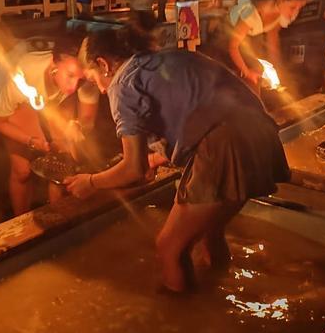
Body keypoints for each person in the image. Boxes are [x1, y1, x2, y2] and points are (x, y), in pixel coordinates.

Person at [66, 28, 290, 292]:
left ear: (103, 64)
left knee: (169, 247)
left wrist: (91, 182)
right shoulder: (165, 58)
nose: (101, 91)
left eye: (93, 78)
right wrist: (156, 158)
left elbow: (133, 168)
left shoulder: (122, 83)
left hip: (225, 144)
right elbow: (195, 108)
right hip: (262, 134)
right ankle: (217, 299)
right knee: (210, 232)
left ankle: (184, 316)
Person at [0, 32, 102, 215]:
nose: (74, 86)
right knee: (22, 169)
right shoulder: (23, 75)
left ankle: (57, 217)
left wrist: (77, 125)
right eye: (70, 75)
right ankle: (21, 224)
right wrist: (32, 141)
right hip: (16, 93)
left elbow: (88, 119)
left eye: (80, 79)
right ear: (55, 64)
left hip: (51, 95)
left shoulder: (85, 74)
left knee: (63, 159)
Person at [226, 0, 309, 89]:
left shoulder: (282, 12)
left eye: (299, 8)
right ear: (280, 0)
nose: (295, 13)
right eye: (293, 7)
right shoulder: (251, 13)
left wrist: (278, 69)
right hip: (227, 44)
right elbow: (232, 47)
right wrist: (247, 72)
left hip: (250, 43)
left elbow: (272, 39)